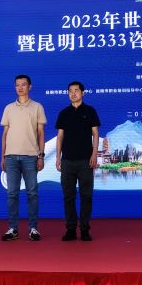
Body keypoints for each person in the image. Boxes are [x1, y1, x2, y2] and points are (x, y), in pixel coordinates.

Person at [0, 74, 47, 241]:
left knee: (32, 193)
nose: (20, 88)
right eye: (17, 85)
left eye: (23, 84)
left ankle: (33, 228)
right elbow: (5, 134)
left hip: (31, 156)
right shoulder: (8, 108)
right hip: (10, 157)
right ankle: (12, 228)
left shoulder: (37, 107)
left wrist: (41, 156)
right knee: (12, 194)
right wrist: (2, 157)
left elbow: (41, 133)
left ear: (30, 87)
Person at [55, 81, 101, 241]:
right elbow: (60, 136)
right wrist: (58, 157)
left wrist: (94, 154)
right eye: (70, 91)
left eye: (76, 90)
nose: (73, 93)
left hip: (85, 161)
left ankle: (85, 229)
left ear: (83, 93)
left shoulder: (90, 111)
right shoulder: (64, 113)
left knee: (86, 196)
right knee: (68, 196)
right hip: (67, 160)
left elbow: (96, 134)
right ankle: (70, 229)